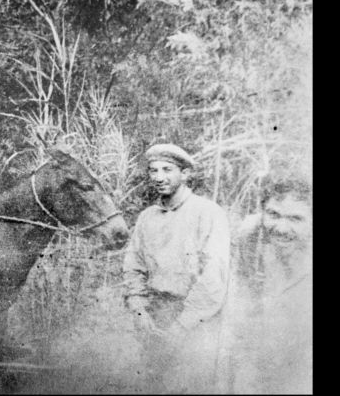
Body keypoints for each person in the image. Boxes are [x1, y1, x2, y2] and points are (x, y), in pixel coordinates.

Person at [122, 143, 231, 393]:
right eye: (153, 170)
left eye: (167, 169)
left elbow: (214, 277)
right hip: (154, 315)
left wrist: (182, 325)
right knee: (153, 384)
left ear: (185, 174)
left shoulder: (208, 213)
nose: (159, 177)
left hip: (195, 320)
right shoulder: (147, 217)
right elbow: (133, 266)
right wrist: (139, 311)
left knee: (191, 385)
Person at [228, 177, 312, 393]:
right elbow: (242, 304)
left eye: (295, 219)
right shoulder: (251, 236)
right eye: (273, 215)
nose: (281, 228)